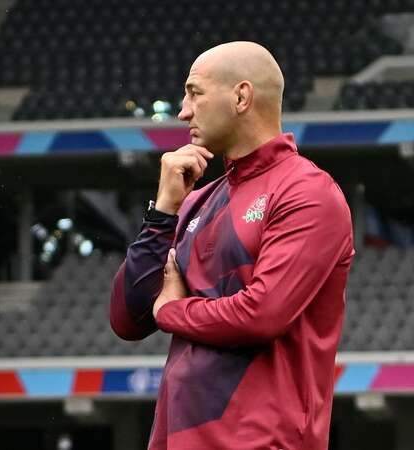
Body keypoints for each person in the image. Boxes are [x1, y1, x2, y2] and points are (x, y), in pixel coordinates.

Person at [109, 41, 354, 449]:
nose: (183, 110)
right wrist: (163, 212)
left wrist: (173, 309)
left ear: (241, 97)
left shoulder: (307, 192)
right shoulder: (199, 199)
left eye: (194, 93)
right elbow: (127, 319)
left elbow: (262, 315)